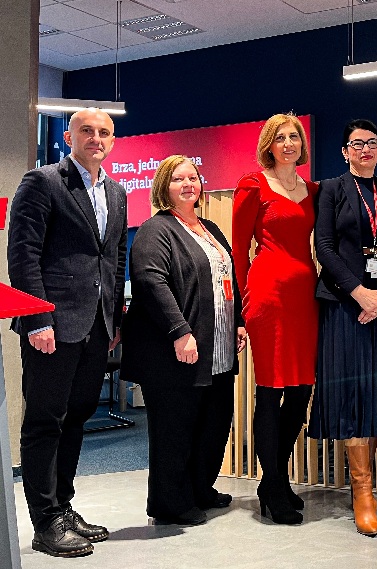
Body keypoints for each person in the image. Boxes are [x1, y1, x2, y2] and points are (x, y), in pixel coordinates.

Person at [8, 108, 127, 557]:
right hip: (52, 324)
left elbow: (115, 257)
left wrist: (113, 319)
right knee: (46, 420)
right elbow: (23, 255)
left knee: (77, 416)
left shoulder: (116, 192)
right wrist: (37, 318)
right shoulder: (42, 182)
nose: (96, 138)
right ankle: (45, 522)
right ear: (67, 137)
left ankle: (63, 506)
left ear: (112, 141)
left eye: (104, 132)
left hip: (96, 325)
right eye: (87, 131)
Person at [122, 155, 247, 527]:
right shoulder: (156, 230)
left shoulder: (210, 228)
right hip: (176, 351)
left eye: (193, 177)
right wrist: (180, 331)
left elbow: (228, 278)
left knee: (212, 425)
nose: (188, 184)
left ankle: (200, 489)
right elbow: (150, 281)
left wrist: (238, 322)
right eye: (178, 179)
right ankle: (170, 503)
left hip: (217, 349)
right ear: (164, 186)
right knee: (175, 430)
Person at [309, 119, 377, 537]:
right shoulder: (331, 190)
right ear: (345, 152)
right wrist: (359, 293)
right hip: (345, 304)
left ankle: (365, 480)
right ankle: (362, 490)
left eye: (372, 143)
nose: (365, 149)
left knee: (376, 394)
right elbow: (325, 247)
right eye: (357, 144)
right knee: (354, 393)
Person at [233, 114, 318, 525]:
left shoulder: (313, 190)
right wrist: (241, 307)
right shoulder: (253, 185)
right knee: (269, 392)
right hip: (268, 295)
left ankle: (273, 481)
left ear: (302, 144)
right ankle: (274, 486)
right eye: (280, 137)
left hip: (305, 299)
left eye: (294, 136)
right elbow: (238, 251)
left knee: (301, 393)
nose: (288, 143)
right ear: (269, 144)